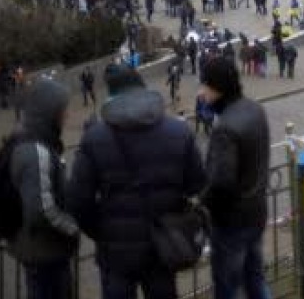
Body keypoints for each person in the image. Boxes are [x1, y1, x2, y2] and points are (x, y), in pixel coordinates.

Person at [67, 65, 206, 299]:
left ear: (111, 96)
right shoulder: (178, 131)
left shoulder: (94, 138)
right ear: (143, 89)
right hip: (163, 243)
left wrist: (102, 231)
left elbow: (78, 201)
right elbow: (197, 185)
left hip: (115, 251)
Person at [199, 58, 272, 299]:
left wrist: (202, 203)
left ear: (217, 87)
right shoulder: (254, 109)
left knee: (227, 285)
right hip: (257, 211)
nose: (202, 92)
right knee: (255, 279)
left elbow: (221, 182)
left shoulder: (225, 128)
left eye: (205, 86)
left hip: (232, 222)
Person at [8, 79, 80, 299]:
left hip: (42, 252)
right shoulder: (36, 151)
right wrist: (72, 227)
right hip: (45, 253)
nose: (67, 115)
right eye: (62, 111)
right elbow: (41, 209)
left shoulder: (36, 142)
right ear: (50, 113)